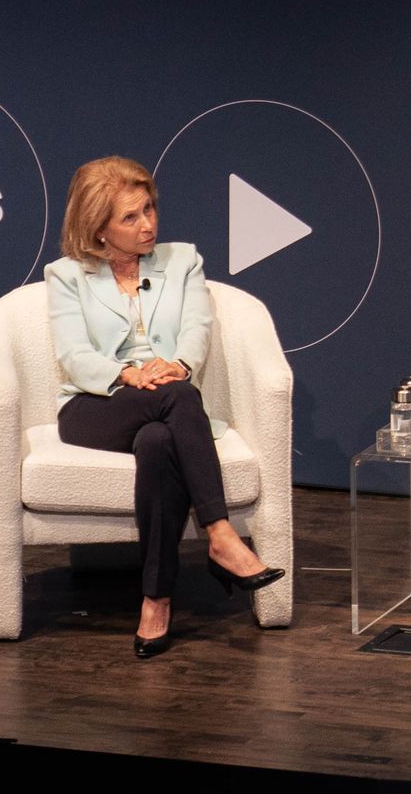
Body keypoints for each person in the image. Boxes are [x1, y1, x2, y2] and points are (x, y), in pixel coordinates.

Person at [46, 156, 285, 660]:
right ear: (99, 228)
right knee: (178, 398)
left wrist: (176, 363)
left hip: (168, 399)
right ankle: (220, 534)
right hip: (97, 405)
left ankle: (155, 600)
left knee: (157, 441)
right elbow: (73, 354)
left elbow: (197, 327)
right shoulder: (66, 275)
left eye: (150, 209)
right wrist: (127, 373)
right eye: (130, 217)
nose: (148, 224)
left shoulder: (183, 261)